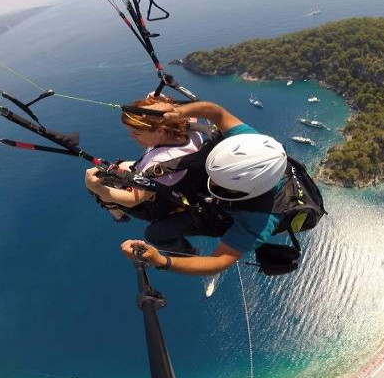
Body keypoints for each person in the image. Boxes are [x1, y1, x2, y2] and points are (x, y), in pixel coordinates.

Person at [120, 101, 288, 276]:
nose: (212, 182)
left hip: (224, 216)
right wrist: (177, 111)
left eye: (220, 184)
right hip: (225, 198)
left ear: (241, 191)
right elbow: (215, 112)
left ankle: (186, 253)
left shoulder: (257, 220)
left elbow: (218, 262)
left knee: (155, 234)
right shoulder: (248, 142)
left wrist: (161, 260)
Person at [84, 95, 205, 223]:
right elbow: (178, 111)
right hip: (176, 182)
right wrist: (159, 102)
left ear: (160, 131)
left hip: (157, 206)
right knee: (119, 165)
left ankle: (118, 215)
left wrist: (95, 188)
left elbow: (133, 200)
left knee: (101, 180)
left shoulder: (159, 163)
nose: (132, 137)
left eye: (137, 133)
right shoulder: (190, 130)